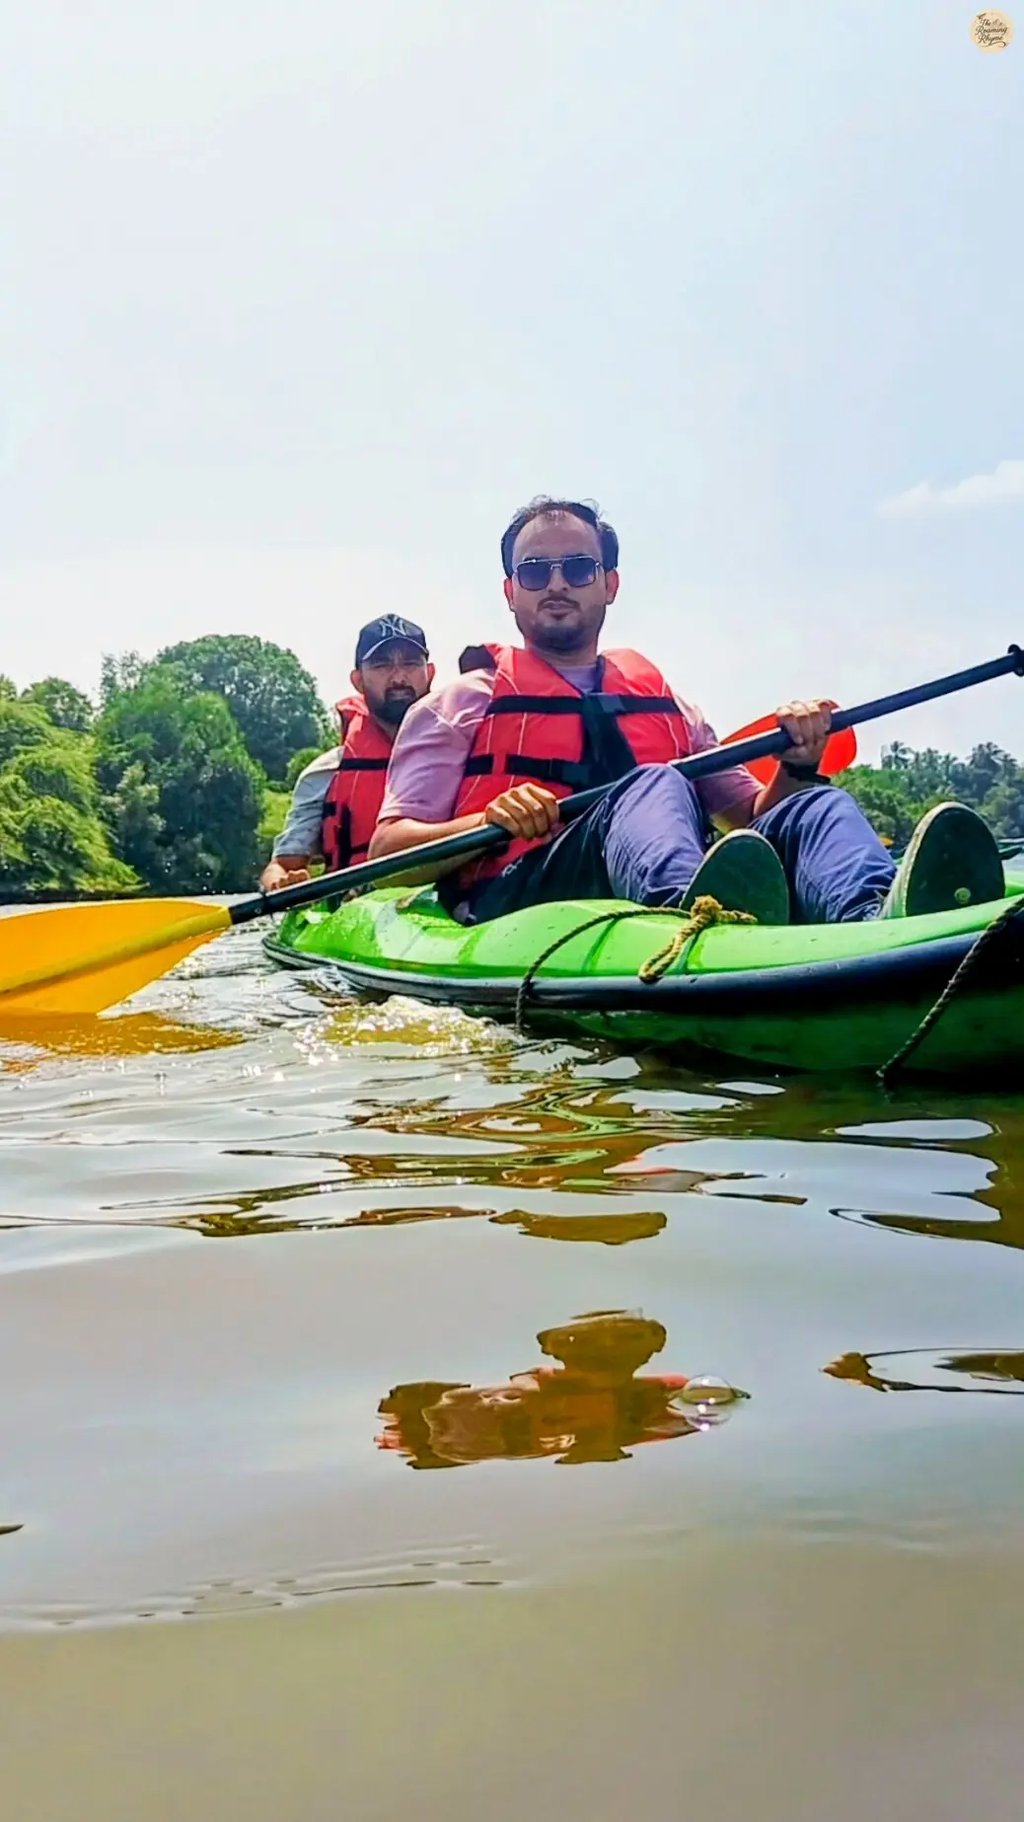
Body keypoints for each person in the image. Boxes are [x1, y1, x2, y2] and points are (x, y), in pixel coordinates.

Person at [369, 496, 1004, 925]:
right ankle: (695, 925)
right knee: (651, 783)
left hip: (668, 876)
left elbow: (751, 817)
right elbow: (387, 852)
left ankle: (875, 920)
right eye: (534, 572)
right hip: (522, 898)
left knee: (816, 805)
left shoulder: (669, 704)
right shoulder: (456, 705)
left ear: (609, 584)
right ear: (511, 592)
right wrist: (488, 818)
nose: (556, 583)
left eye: (578, 567)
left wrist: (798, 762)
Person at [259, 616, 434, 893]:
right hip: (357, 911)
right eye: (382, 665)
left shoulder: (466, 754)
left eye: (411, 663)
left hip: (446, 904)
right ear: (358, 680)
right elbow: (282, 865)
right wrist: (280, 884)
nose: (399, 677)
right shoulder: (326, 773)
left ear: (430, 673)